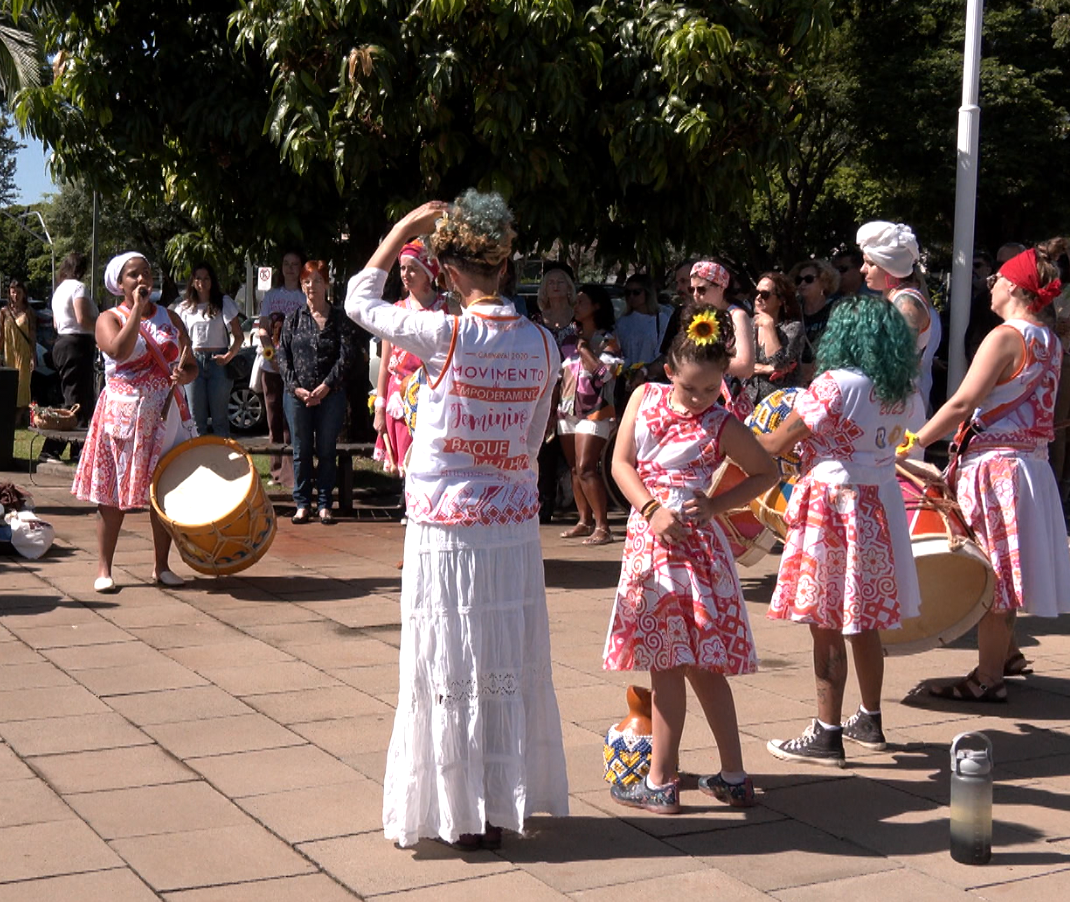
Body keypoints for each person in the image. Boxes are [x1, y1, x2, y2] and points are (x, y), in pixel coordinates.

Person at [345, 190, 569, 850]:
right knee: (503, 664)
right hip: (511, 529)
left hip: (446, 530)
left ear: (445, 272)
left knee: (448, 664)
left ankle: (456, 807)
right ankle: (496, 806)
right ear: (506, 267)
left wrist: (399, 227)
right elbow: (533, 441)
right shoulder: (543, 343)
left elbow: (360, 302)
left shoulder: (443, 333)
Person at [604, 305, 777, 812]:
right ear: (670, 371)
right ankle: (728, 777)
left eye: (712, 389)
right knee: (671, 662)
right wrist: (651, 507)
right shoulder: (645, 396)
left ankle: (665, 783)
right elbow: (620, 463)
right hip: (653, 541)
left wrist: (718, 504)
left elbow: (766, 472)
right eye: (693, 388)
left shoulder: (722, 422)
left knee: (696, 665)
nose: (701, 399)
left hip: (697, 552)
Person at [761, 296, 921, 765]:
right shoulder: (901, 387)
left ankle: (826, 732)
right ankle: (869, 719)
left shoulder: (835, 384)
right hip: (880, 502)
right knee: (862, 618)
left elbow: (778, 440)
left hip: (833, 502)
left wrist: (739, 431)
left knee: (826, 619)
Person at [911, 242, 1070, 701]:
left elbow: (963, 401)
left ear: (1015, 287)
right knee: (1007, 564)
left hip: (998, 468)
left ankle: (988, 679)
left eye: (996, 279)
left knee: (993, 574)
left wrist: (918, 440)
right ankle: (1009, 654)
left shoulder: (1005, 337)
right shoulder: (1050, 340)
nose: (991, 285)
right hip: (1031, 467)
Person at [71, 252, 198, 593]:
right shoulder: (108, 318)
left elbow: (191, 364)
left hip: (167, 413)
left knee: (165, 488)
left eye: (146, 272)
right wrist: (138, 313)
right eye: (133, 275)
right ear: (120, 283)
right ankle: (104, 568)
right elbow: (117, 350)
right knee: (113, 494)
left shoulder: (170, 317)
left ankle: (161, 566)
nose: (142, 279)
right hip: (126, 415)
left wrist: (182, 374)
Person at [278, 260, 357, 525]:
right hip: (298, 396)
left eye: (318, 280)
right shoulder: (293, 319)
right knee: (301, 450)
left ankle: (324, 504)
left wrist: (326, 387)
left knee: (326, 449)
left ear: (326, 284)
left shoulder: (338, 318)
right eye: (307, 281)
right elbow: (283, 357)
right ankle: (302, 503)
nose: (312, 286)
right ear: (302, 285)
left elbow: (346, 356)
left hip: (330, 395)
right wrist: (296, 388)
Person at [373, 240, 447, 475]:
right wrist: (380, 405)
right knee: (405, 460)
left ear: (428, 272)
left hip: (436, 394)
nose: (405, 274)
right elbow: (385, 364)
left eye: (412, 268)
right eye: (403, 268)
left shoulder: (447, 308)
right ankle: (407, 506)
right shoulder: (395, 311)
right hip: (400, 397)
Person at [857, 221, 941, 423]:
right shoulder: (893, 300)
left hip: (895, 409)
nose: (862, 269)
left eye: (870, 264)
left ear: (889, 267)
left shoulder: (906, 304)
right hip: (885, 403)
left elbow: (896, 365)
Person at [557, 283, 622, 546]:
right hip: (567, 408)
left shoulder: (608, 340)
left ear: (596, 306)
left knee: (586, 467)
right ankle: (584, 522)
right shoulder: (567, 339)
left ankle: (603, 526)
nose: (576, 304)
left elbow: (605, 375)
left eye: (582, 301)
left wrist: (585, 350)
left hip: (596, 409)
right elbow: (558, 376)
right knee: (574, 468)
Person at [39, 254, 97, 463]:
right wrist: (101, 324)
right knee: (76, 401)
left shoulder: (59, 291)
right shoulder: (78, 288)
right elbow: (82, 318)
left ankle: (77, 449)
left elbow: (56, 324)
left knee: (78, 397)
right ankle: (50, 449)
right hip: (77, 344)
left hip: (62, 343)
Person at [531, 267, 579, 522]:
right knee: (544, 445)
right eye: (551, 282)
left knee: (573, 448)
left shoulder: (578, 320)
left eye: (562, 282)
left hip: (576, 392)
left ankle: (578, 504)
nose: (557, 286)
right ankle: (544, 500)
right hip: (545, 389)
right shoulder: (536, 320)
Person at [175, 262, 243, 439]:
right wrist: (181, 364)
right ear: (192, 282)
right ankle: (199, 461)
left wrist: (228, 356)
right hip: (193, 361)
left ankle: (222, 461)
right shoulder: (184, 307)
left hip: (217, 362)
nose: (202, 283)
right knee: (197, 419)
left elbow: (238, 336)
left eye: (206, 278)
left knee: (220, 418)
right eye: (198, 279)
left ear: (212, 281)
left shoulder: (223, 302)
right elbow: (179, 340)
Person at [257, 250, 306, 487]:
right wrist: (272, 356)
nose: (290, 268)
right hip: (272, 367)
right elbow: (262, 331)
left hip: (297, 369)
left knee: (292, 422)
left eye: (295, 264)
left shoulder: (304, 296)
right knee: (274, 419)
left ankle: (291, 472)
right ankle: (275, 471)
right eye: (286, 264)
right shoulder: (271, 296)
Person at [690, 261, 754, 419]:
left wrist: (706, 362)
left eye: (702, 289)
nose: (695, 295)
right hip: (701, 398)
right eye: (692, 289)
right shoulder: (701, 317)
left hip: (728, 402)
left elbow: (746, 366)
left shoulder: (736, 316)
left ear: (721, 287)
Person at [748, 270, 804, 405]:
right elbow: (734, 364)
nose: (758, 298)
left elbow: (778, 364)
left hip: (781, 404)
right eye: (756, 293)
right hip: (749, 403)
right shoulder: (746, 325)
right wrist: (766, 369)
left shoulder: (792, 328)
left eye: (765, 294)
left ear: (780, 300)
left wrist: (768, 325)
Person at [790, 259, 840, 385]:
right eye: (798, 280)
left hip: (828, 375)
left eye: (808, 279)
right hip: (799, 378)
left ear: (824, 282)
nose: (802, 283)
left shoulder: (836, 309)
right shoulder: (792, 310)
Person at [616, 273, 671, 369]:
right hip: (628, 376)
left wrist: (646, 370)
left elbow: (664, 352)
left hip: (654, 376)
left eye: (636, 292)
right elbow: (618, 352)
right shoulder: (622, 322)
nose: (631, 296)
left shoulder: (661, 320)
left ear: (647, 293)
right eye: (628, 293)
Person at [1, 279, 35, 426]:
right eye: (13, 292)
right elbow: (0, 334)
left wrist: (33, 355)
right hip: (9, 353)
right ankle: (11, 417)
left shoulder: (29, 312)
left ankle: (17, 418)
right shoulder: (4, 312)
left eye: (19, 292)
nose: (16, 295)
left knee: (23, 386)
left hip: (24, 353)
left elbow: (33, 334)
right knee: (10, 386)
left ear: (24, 294)